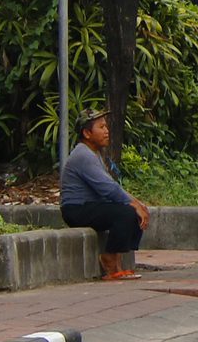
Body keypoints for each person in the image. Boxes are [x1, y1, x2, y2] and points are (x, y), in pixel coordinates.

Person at [60, 110, 150, 280]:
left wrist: (138, 203)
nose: (106, 130)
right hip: (77, 209)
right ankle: (109, 260)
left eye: (106, 126)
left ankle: (117, 261)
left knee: (136, 210)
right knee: (127, 213)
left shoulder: (95, 154)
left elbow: (112, 187)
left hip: (91, 206)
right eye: (101, 127)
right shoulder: (83, 155)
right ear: (87, 133)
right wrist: (134, 205)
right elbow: (108, 188)